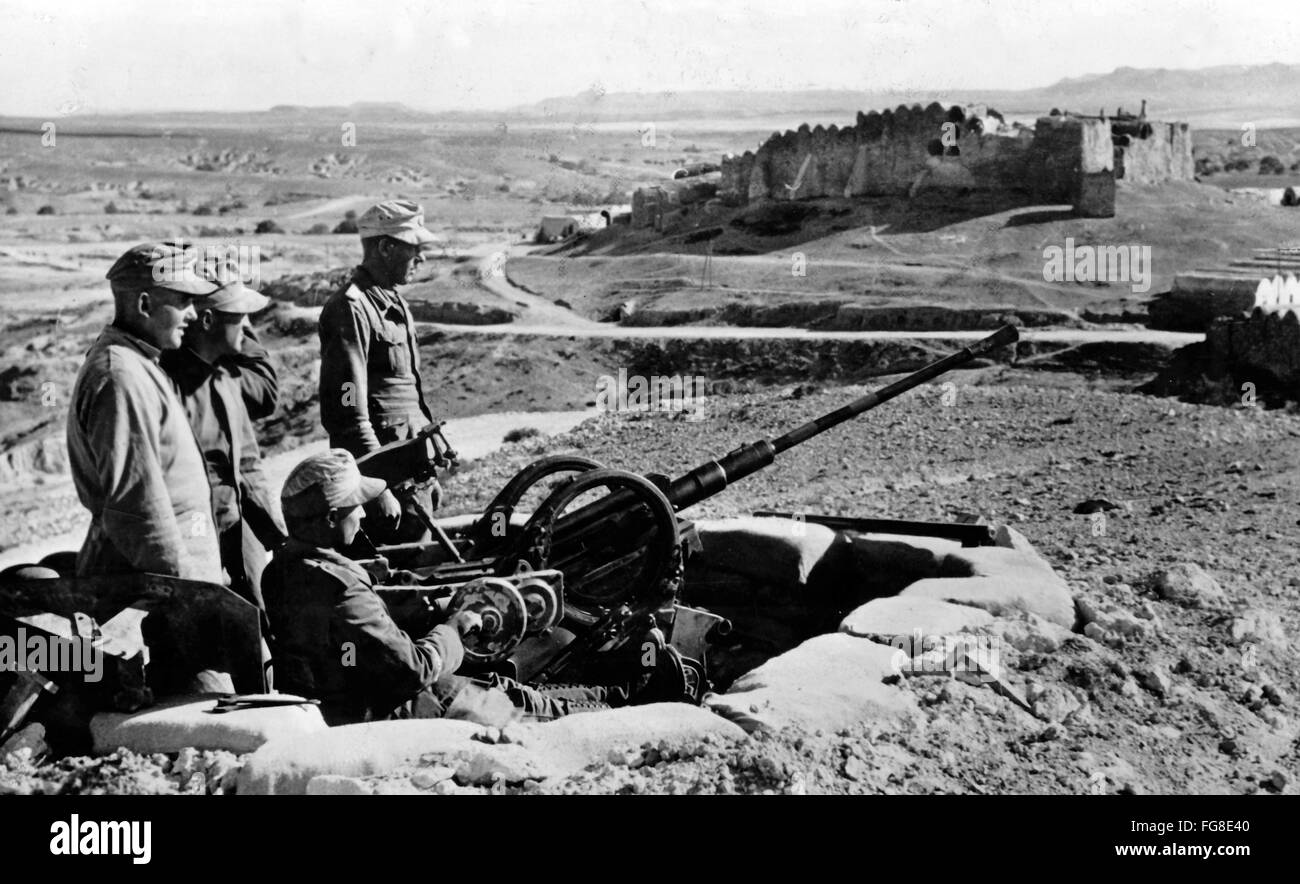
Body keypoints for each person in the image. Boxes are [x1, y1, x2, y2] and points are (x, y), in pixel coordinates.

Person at [262, 449, 623, 725]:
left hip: (348, 696)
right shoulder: (340, 588)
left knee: (504, 688)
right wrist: (455, 627)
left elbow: (335, 622)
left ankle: (614, 692)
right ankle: (624, 706)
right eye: (355, 506)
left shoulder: (280, 570)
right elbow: (415, 670)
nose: (361, 514)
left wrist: (366, 578)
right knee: (521, 707)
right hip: (383, 709)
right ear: (328, 518)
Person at [67, 242, 223, 582]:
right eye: (183, 301)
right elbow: (140, 508)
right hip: (160, 589)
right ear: (144, 304)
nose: (193, 314)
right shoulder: (121, 376)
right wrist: (192, 592)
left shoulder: (136, 364)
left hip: (178, 578)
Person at [317, 200, 441, 544]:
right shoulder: (350, 309)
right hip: (387, 488)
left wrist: (426, 477)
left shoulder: (392, 300)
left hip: (411, 477)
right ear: (386, 247)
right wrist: (378, 488)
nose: (422, 258)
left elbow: (406, 398)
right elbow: (348, 415)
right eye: (413, 249)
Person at [160, 276, 286, 610]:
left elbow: (247, 467)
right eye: (239, 316)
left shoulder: (226, 380)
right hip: (196, 539)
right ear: (207, 320)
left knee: (264, 617)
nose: (248, 327)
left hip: (237, 529)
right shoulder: (167, 389)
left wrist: (277, 535)